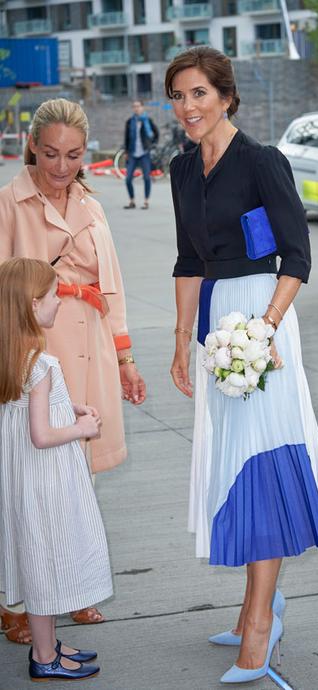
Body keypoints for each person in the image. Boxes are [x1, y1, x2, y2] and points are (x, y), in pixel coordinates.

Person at [165, 47, 318, 685]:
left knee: (261, 461)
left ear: (226, 97)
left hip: (263, 318)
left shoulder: (262, 162)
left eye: (199, 95)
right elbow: (188, 259)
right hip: (216, 322)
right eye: (178, 97)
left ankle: (261, 623)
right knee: (233, 458)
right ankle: (251, 608)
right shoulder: (183, 170)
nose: (188, 108)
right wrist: (183, 339)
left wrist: (262, 333)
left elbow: (296, 256)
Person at [0, 98, 146, 642]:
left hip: (94, 352)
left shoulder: (92, 204)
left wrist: (127, 358)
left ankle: (72, 586)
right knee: (27, 489)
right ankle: (15, 600)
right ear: (32, 147)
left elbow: (112, 289)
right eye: (52, 153)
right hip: (35, 359)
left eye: (75, 155)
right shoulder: (8, 205)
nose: (62, 166)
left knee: (77, 481)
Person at [0, 258, 113, 682]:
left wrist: (72, 407)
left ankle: (48, 644)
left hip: (20, 477)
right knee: (47, 559)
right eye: (53, 297)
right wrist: (82, 427)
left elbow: (24, 414)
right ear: (32, 305)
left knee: (34, 556)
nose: (59, 305)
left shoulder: (11, 357)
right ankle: (44, 656)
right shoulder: (41, 363)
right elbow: (42, 435)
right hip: (45, 477)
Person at [123, 99, 159, 210]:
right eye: (134, 106)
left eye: (138, 106)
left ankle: (146, 201)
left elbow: (156, 134)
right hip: (133, 153)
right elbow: (126, 138)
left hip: (144, 153)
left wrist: (152, 145)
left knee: (147, 178)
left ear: (142, 107)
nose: (136, 108)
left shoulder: (147, 120)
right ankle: (132, 201)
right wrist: (126, 151)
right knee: (128, 179)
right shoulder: (130, 121)